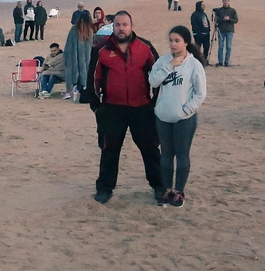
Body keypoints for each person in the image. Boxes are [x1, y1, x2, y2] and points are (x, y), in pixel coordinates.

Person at [87, 11, 163, 204]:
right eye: (118, 25)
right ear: (113, 26)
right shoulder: (101, 49)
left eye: (125, 24)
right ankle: (105, 188)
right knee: (109, 150)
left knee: (150, 149)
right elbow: (93, 78)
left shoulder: (145, 48)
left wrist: (155, 103)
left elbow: (160, 76)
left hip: (142, 108)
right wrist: (97, 107)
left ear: (131, 26)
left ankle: (159, 186)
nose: (122, 28)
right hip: (112, 109)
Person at [149, 26, 207, 205]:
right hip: (163, 116)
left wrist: (187, 110)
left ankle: (179, 191)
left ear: (186, 42)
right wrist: (169, 66)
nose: (173, 45)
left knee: (182, 155)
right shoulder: (163, 61)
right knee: (166, 154)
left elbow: (200, 93)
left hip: (184, 119)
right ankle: (167, 190)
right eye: (171, 41)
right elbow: (153, 80)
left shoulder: (194, 64)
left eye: (177, 41)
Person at [63, 13, 94, 102]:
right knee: (81, 74)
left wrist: (66, 57)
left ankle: (74, 90)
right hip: (82, 59)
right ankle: (79, 90)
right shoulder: (87, 31)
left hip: (77, 58)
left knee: (77, 74)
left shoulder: (83, 30)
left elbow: (68, 46)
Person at [212, 0, 238, 66]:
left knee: (228, 47)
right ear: (222, 2)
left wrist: (229, 19)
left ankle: (226, 62)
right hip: (221, 31)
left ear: (229, 2)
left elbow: (236, 20)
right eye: (224, 1)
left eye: (227, 1)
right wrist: (223, 19)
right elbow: (215, 20)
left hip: (230, 31)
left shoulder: (233, 10)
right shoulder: (219, 10)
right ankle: (220, 61)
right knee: (220, 47)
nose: (225, 2)